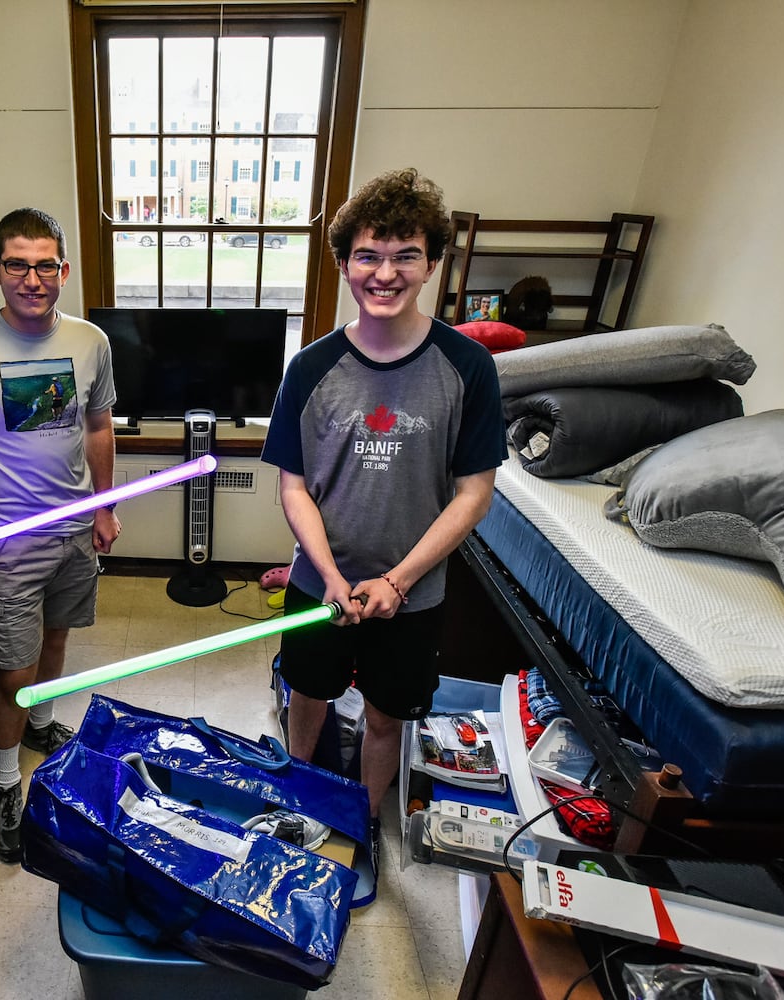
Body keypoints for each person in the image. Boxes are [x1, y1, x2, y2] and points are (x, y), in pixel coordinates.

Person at [260, 167, 506, 882]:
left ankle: (361, 822)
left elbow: (473, 494)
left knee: (386, 717)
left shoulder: (467, 368)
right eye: (368, 255)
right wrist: (333, 578)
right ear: (344, 265)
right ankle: (297, 793)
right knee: (307, 696)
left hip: (415, 594)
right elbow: (295, 485)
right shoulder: (310, 368)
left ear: (431, 262)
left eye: (405, 255)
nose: (385, 273)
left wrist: (398, 580)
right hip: (320, 583)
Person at [0, 207, 121, 863]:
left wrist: (104, 506)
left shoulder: (90, 341)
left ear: (61, 270)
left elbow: (97, 426)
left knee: (57, 639)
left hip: (72, 531)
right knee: (12, 670)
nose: (32, 279)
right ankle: (5, 783)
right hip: (7, 541)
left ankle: (41, 729)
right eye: (18, 264)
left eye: (45, 265)